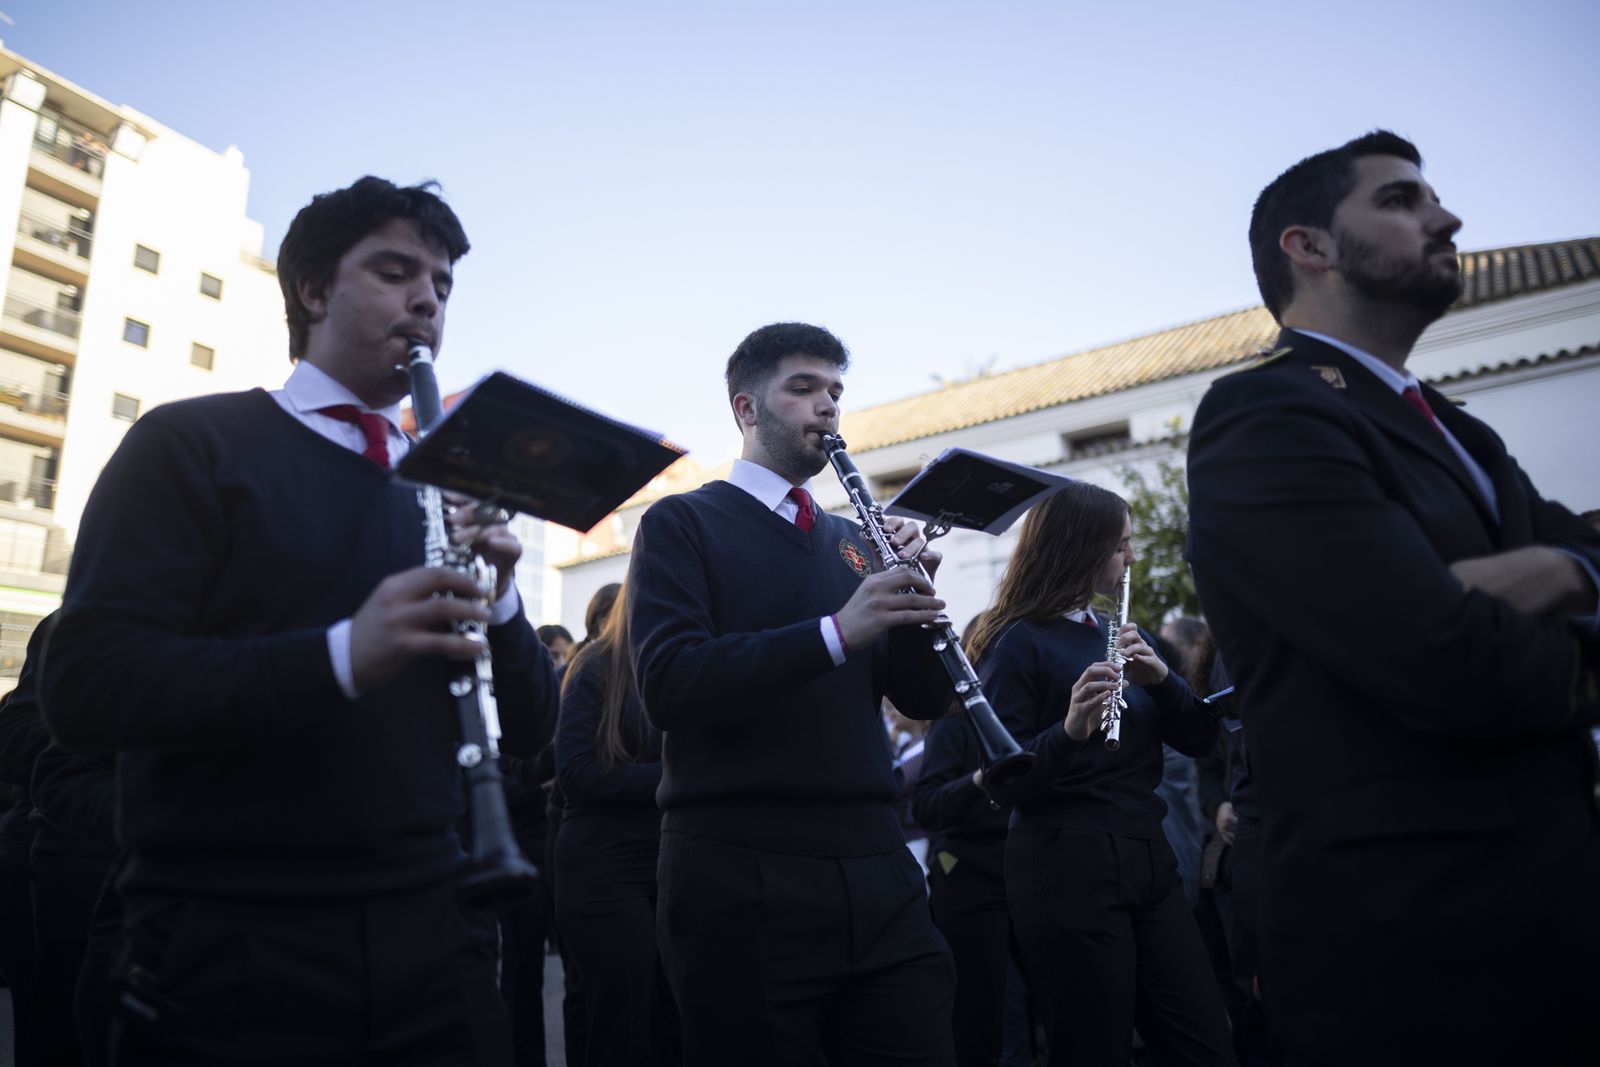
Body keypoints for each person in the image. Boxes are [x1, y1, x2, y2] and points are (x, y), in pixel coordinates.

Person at [39, 176, 558, 1065]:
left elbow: (536, 727)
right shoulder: (190, 442)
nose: (427, 299)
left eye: (441, 284)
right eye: (396, 271)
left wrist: (502, 594)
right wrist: (343, 655)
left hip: (437, 934)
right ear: (314, 290)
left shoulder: (443, 480)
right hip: (234, 941)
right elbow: (86, 686)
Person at [1186, 130, 1600, 1066]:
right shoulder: (1262, 414)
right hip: (1411, 945)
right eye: (1402, 201)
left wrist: (1567, 573)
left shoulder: (1462, 431)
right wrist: (1566, 588)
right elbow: (1438, 652)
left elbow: (1515, 583)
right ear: (1310, 246)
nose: (1446, 217)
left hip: (1552, 914)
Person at [626, 321, 957, 1066]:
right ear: (747, 409)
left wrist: (918, 600)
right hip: (741, 868)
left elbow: (925, 697)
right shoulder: (682, 522)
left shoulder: (853, 539)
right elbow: (671, 683)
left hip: (875, 864)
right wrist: (841, 628)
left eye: (836, 391)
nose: (827, 406)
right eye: (803, 388)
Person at [969, 484, 1235, 1067]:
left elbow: (1196, 739)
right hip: (1065, 864)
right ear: (1080, 549)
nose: (1132, 559)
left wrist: (1163, 681)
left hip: (1147, 856)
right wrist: (1069, 732)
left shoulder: (1119, 636)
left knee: (1207, 1046)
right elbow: (1003, 780)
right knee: (1092, 1049)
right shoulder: (1015, 643)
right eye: (1122, 546)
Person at [553, 580, 679, 1067]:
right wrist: (675, 776)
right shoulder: (595, 665)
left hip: (665, 860)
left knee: (671, 1020)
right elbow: (576, 774)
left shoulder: (671, 662)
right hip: (601, 865)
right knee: (622, 1024)